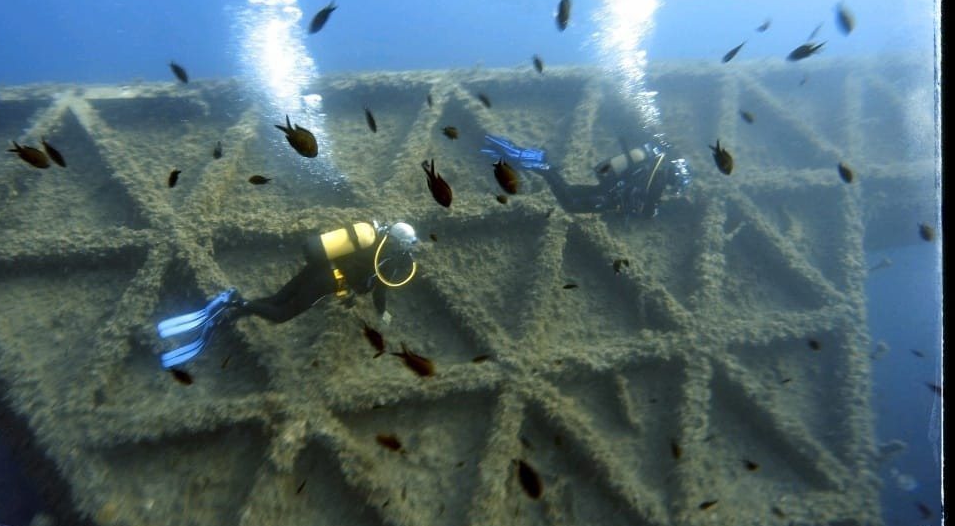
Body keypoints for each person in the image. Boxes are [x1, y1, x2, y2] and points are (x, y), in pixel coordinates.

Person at [156, 220, 419, 369]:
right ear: (399, 244)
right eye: (408, 245)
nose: (408, 250)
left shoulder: (372, 236)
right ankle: (235, 300)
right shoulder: (387, 258)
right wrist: (382, 312)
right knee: (281, 314)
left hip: (319, 267)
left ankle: (229, 314)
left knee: (276, 299)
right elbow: (379, 288)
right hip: (327, 281)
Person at [480, 133, 691, 219]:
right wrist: (654, 210)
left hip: (608, 187)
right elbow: (647, 211)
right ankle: (544, 166)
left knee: (570, 191)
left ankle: (532, 158)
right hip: (609, 196)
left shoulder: (655, 170)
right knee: (570, 205)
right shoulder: (659, 181)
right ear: (675, 179)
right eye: (677, 187)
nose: (673, 192)